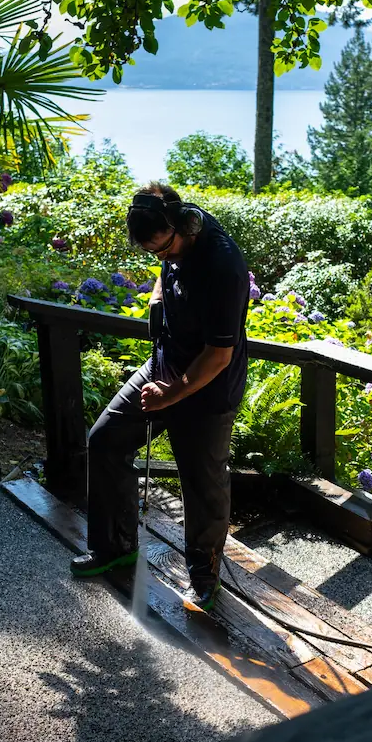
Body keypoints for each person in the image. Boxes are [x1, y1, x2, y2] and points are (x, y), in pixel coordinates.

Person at [70, 182, 250, 611]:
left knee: (201, 482)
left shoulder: (223, 265)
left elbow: (218, 355)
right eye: (152, 252)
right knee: (106, 439)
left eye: (164, 248)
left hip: (208, 384)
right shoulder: (174, 233)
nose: (162, 257)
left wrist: (172, 394)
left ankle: (204, 577)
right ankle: (114, 546)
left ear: (182, 225)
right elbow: (165, 271)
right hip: (165, 366)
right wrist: (156, 298)